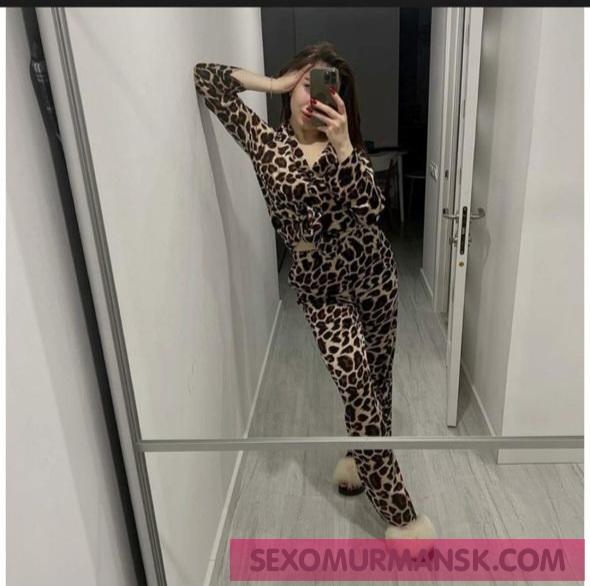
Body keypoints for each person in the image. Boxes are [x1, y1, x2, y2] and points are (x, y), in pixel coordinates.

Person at [193, 41, 436, 541]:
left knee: (377, 382)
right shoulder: (264, 142)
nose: (314, 96)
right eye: (307, 84)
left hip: (373, 273)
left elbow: (372, 209)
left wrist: (344, 145)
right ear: (291, 86)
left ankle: (359, 459)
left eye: (327, 87)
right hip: (321, 289)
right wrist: (273, 83)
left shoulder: (346, 147)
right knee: (355, 382)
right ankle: (401, 517)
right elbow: (206, 79)